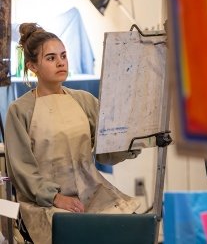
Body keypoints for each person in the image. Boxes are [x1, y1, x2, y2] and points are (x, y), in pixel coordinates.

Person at [4, 23, 140, 244]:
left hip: (91, 192)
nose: (61, 62)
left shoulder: (84, 100)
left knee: (131, 227)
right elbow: (23, 171)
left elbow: (106, 152)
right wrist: (56, 198)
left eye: (63, 56)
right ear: (32, 66)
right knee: (76, 233)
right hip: (43, 203)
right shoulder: (19, 110)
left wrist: (134, 141)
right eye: (50, 58)